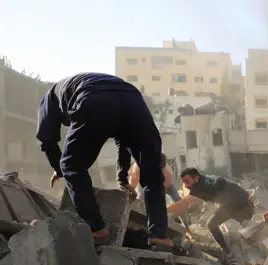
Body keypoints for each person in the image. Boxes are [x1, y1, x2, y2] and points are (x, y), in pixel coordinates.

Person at [35, 72, 174, 250]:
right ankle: (159, 236)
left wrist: (59, 168)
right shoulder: (79, 85)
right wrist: (122, 177)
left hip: (94, 99)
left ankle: (96, 228)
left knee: (71, 164)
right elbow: (122, 136)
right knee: (152, 173)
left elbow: (46, 139)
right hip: (134, 100)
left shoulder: (50, 98)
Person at [168, 168, 254, 254]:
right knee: (248, 233)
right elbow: (190, 205)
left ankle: (227, 252)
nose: (185, 186)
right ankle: (251, 251)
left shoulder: (200, 187)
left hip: (238, 204)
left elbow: (183, 204)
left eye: (187, 181)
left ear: (196, 178)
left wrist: (164, 210)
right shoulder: (204, 181)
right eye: (183, 182)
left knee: (211, 224)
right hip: (243, 202)